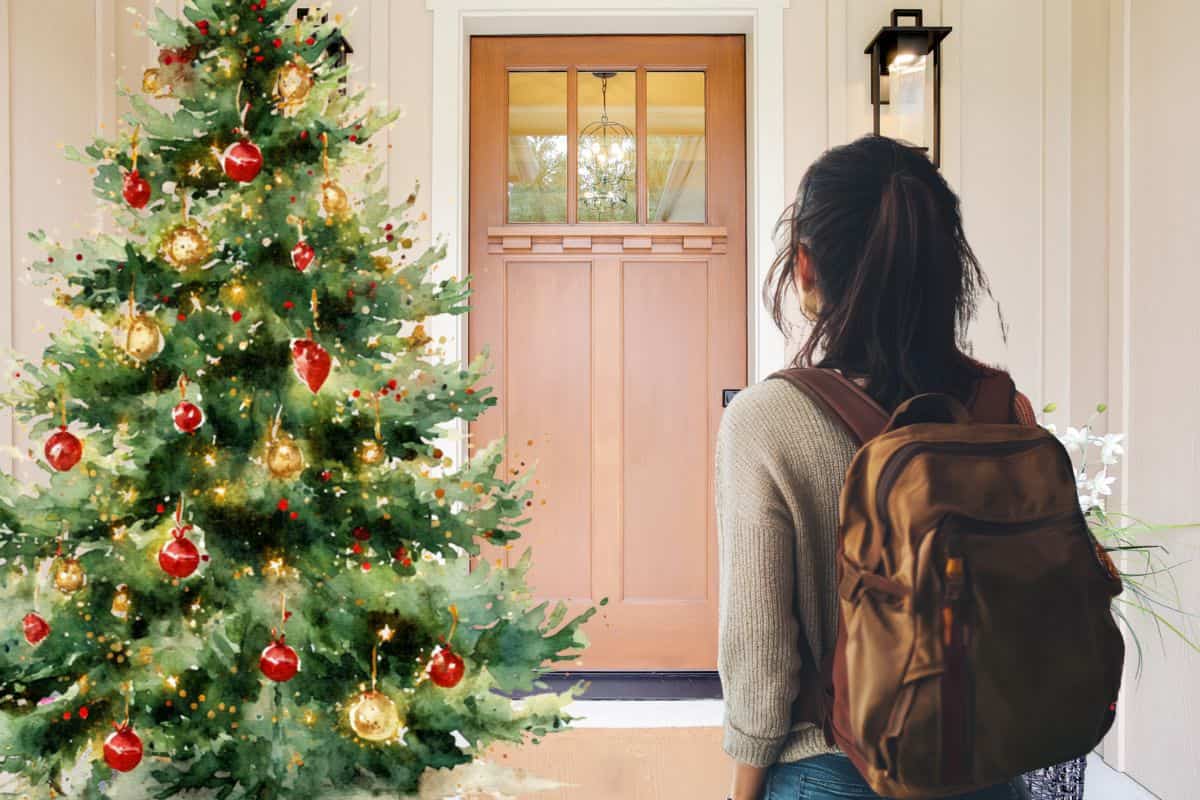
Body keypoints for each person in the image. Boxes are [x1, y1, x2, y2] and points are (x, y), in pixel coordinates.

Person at [716, 135, 1080, 800]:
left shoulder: (766, 420)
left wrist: (744, 789)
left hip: (832, 768)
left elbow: (759, 652)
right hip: (984, 765)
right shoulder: (1000, 404)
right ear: (944, 267)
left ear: (804, 267)